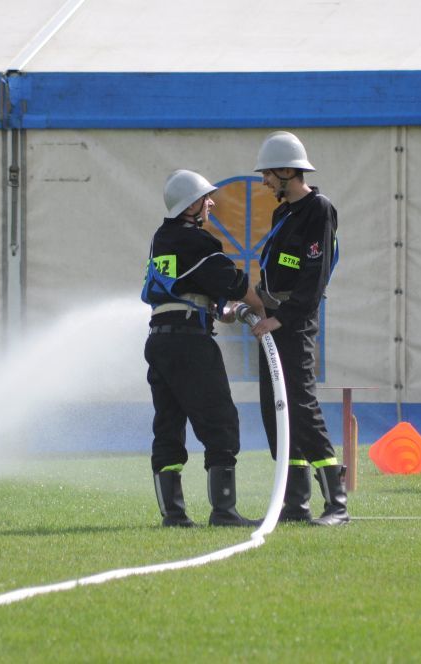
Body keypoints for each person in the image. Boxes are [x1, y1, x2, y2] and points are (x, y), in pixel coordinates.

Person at [142, 169, 266, 528]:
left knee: (168, 425)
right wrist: (263, 308)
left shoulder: (162, 238)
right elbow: (233, 281)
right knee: (220, 420)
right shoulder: (196, 241)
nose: (210, 203)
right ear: (189, 206)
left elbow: (185, 289)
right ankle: (224, 512)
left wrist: (220, 310)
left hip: (160, 340)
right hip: (189, 342)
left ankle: (173, 515)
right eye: (204, 199)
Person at [250, 131, 348, 526]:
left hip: (294, 322)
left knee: (301, 407)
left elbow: (314, 276)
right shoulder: (283, 214)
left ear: (288, 171)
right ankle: (295, 504)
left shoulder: (318, 210)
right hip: (272, 320)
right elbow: (277, 271)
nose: (264, 182)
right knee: (276, 411)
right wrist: (254, 304)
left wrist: (282, 317)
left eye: (268, 174)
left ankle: (337, 504)